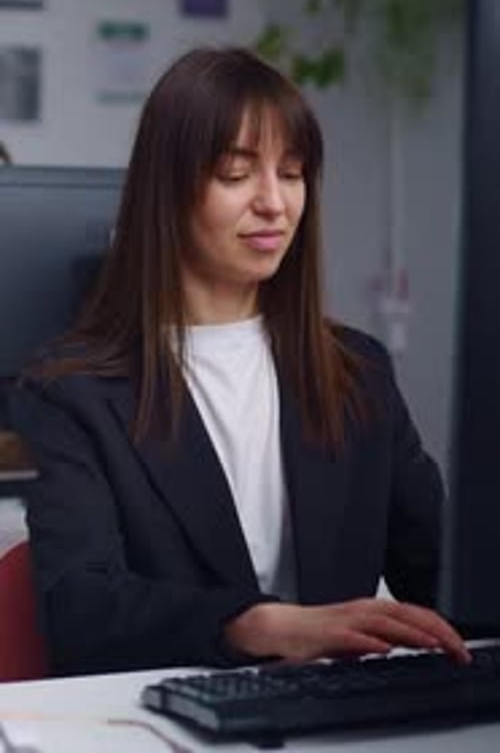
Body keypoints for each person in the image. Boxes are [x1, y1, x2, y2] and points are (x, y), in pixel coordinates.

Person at [9, 46, 469, 677]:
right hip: (161, 719)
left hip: (338, 718)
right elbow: (83, 609)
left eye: (293, 172)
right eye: (235, 174)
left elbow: (447, 574)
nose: (274, 203)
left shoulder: (356, 371)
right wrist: (255, 624)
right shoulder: (71, 392)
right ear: (166, 193)